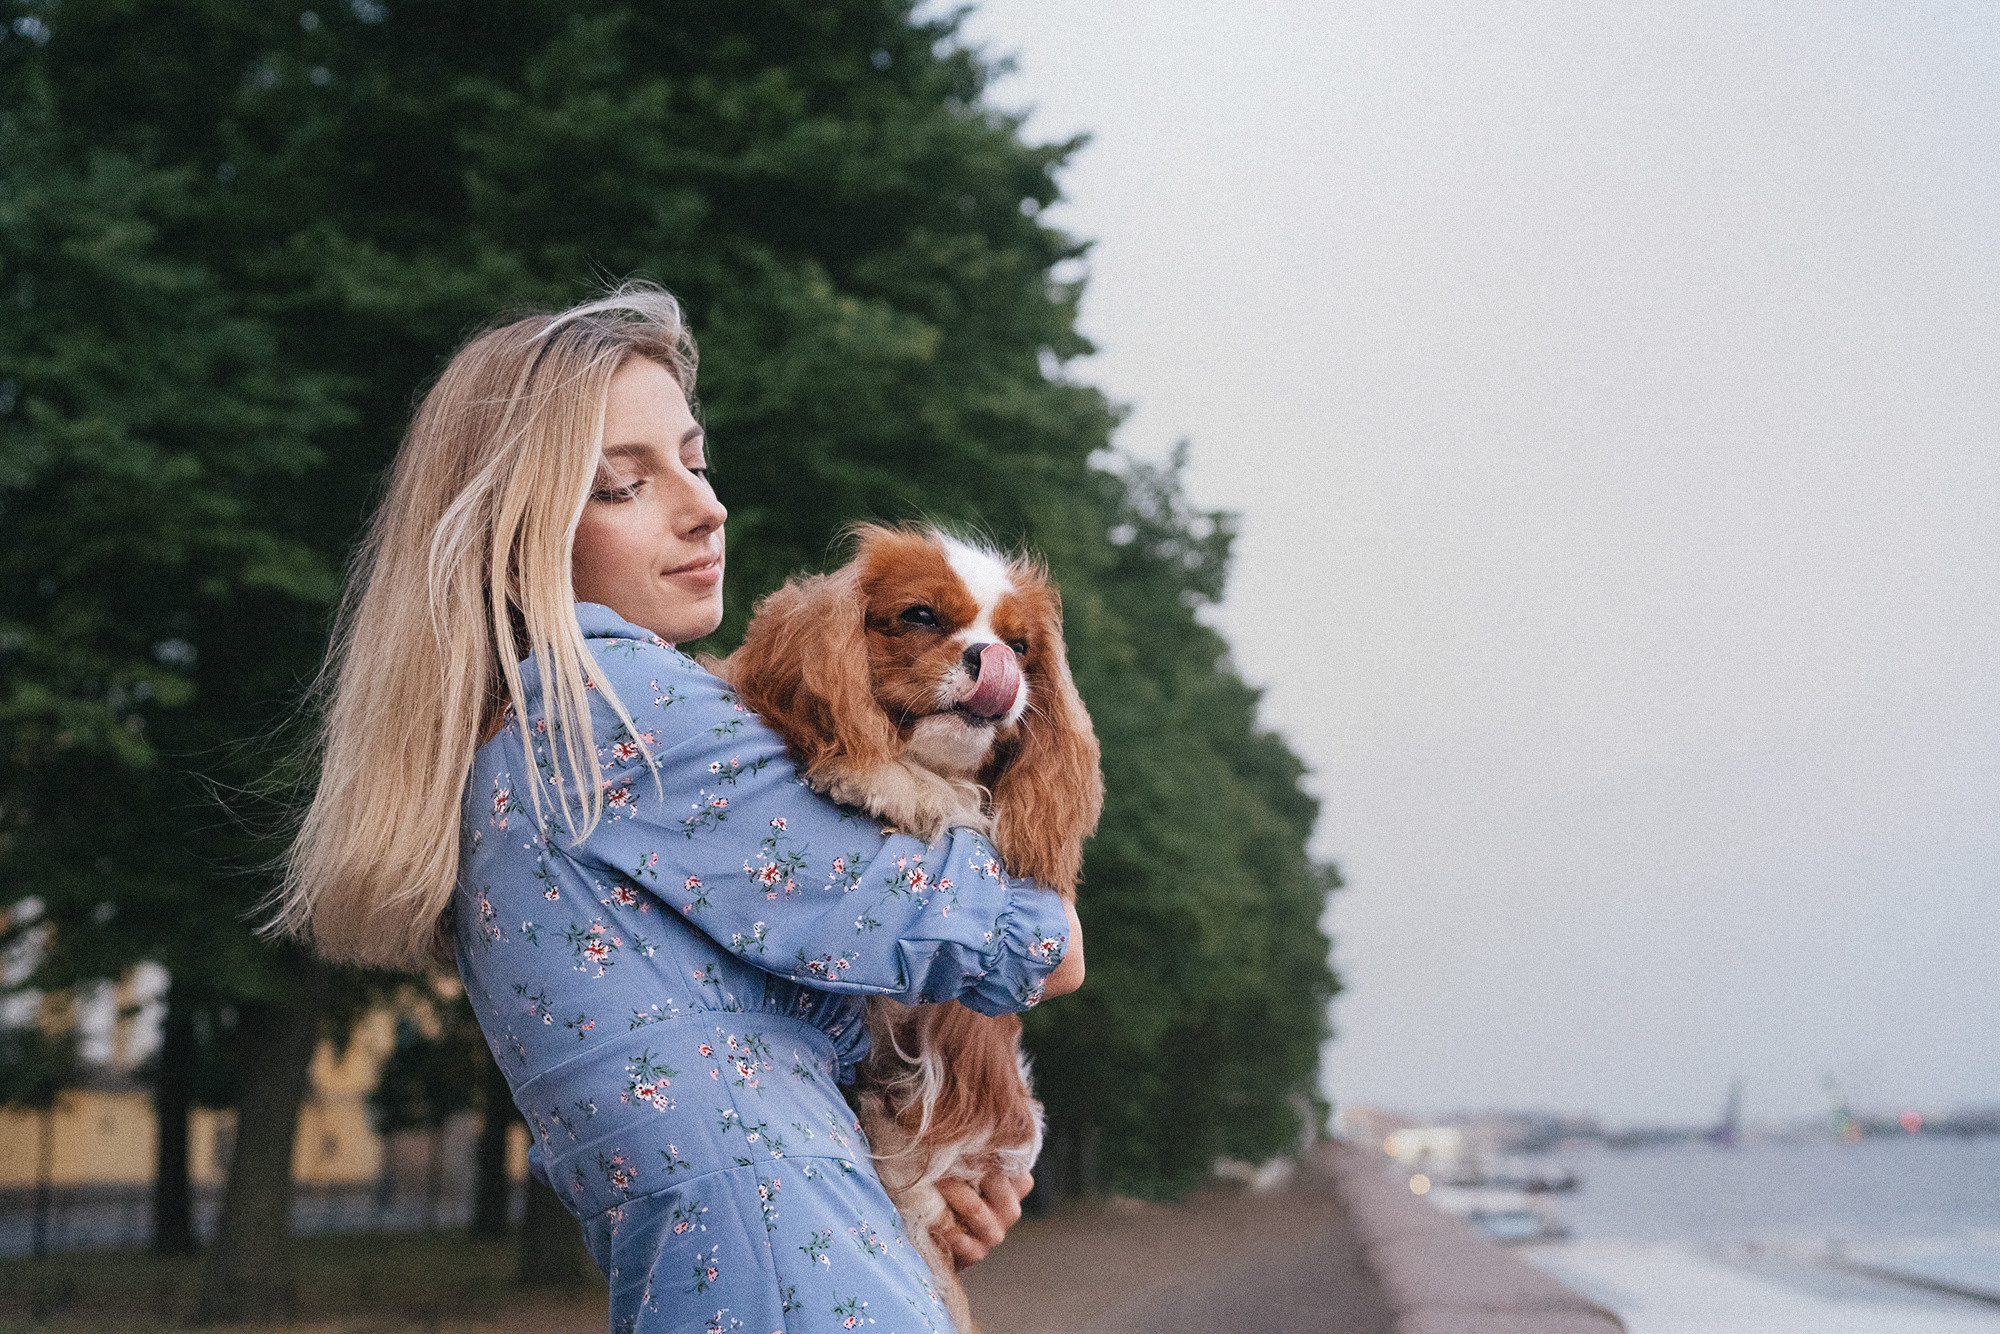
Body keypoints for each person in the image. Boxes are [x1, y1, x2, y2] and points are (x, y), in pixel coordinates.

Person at [273, 284, 1083, 1333]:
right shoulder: (618, 709)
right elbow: (1029, 941)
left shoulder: (509, 748)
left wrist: (952, 1142)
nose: (705, 506)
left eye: (694, 461)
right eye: (623, 484)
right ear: (513, 533)